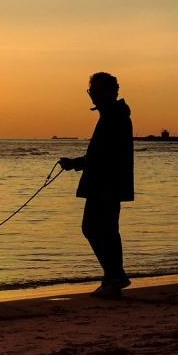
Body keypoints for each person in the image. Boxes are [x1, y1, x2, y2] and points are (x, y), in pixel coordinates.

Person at [59, 72, 134, 299]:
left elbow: (107, 155)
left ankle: (114, 276)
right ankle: (113, 276)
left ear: (112, 91)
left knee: (97, 229)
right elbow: (101, 154)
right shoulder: (111, 114)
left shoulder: (114, 116)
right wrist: (77, 164)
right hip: (105, 182)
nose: (92, 94)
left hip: (106, 184)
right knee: (102, 229)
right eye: (91, 90)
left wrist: (77, 164)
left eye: (96, 90)